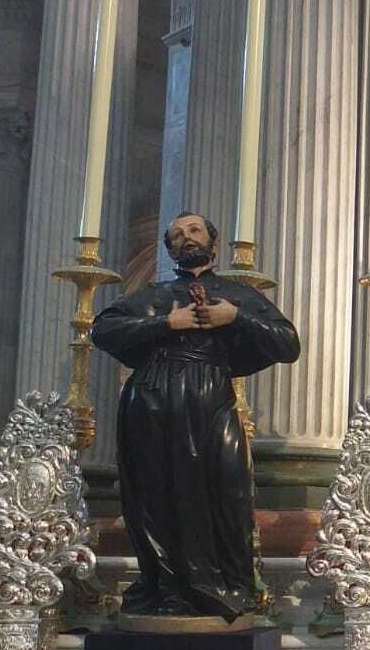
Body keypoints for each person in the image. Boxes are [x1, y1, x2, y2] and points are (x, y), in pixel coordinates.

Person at [92, 212, 300, 621]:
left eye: (195, 230)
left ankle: (229, 584)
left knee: (227, 489)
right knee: (158, 493)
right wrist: (166, 322)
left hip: (210, 397)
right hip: (151, 399)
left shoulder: (236, 295)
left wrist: (235, 317)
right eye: (177, 234)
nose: (186, 237)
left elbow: (287, 343)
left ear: (213, 242)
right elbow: (103, 330)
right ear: (169, 249)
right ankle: (169, 587)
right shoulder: (155, 292)